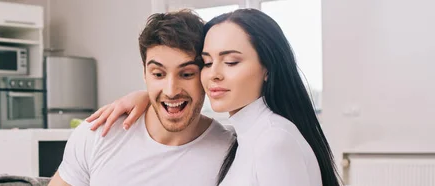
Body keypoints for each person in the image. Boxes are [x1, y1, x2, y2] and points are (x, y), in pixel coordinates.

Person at [87, 8, 341, 186]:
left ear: (267, 68)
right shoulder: (247, 136)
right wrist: (147, 98)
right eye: (207, 63)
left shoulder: (274, 141)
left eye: (231, 62)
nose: (214, 75)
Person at [48, 9, 235, 186]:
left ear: (205, 74)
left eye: (186, 74)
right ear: (144, 73)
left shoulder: (230, 151)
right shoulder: (98, 134)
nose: (171, 90)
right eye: (158, 74)